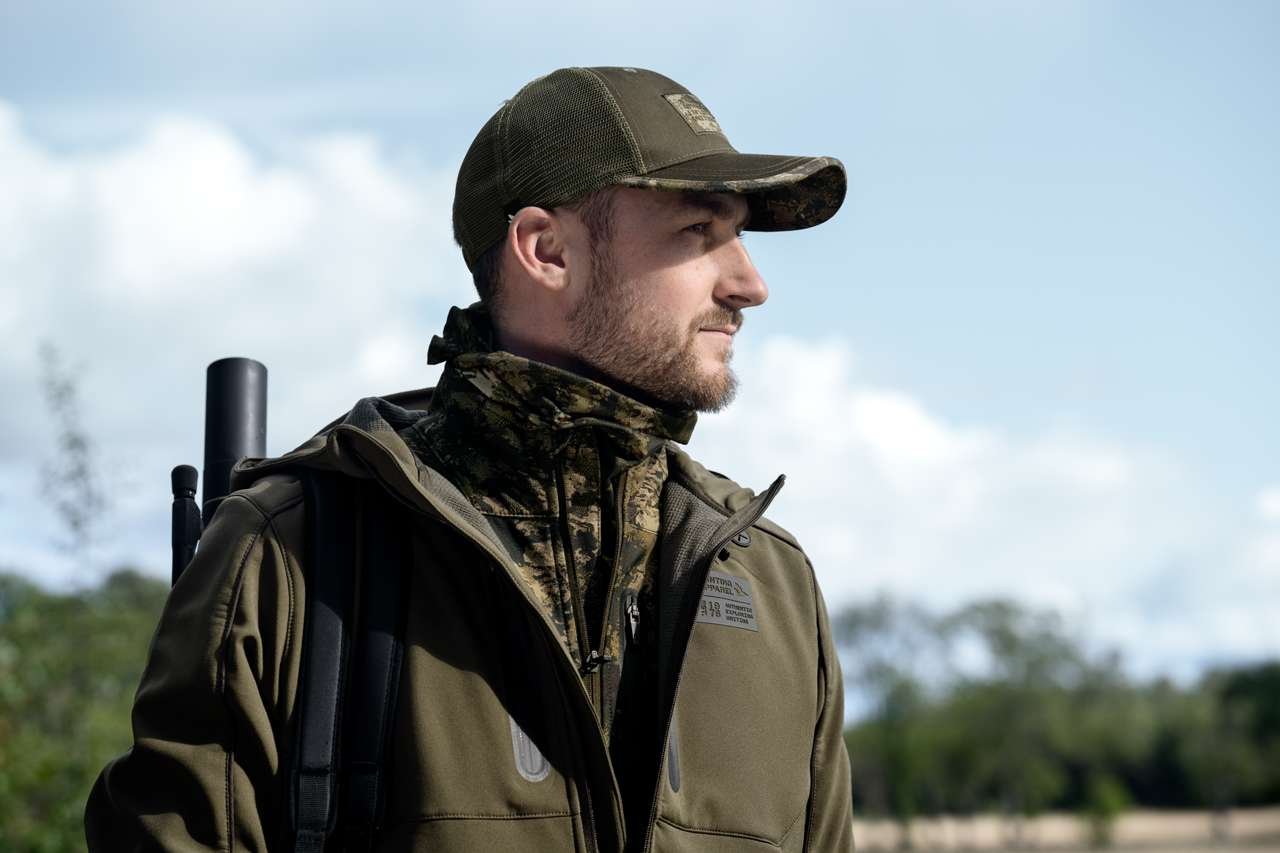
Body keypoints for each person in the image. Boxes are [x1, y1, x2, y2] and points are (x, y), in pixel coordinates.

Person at [86, 66, 854, 852]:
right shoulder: (289, 555)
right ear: (547, 250)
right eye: (699, 232)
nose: (750, 284)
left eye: (739, 237)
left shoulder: (773, 583)